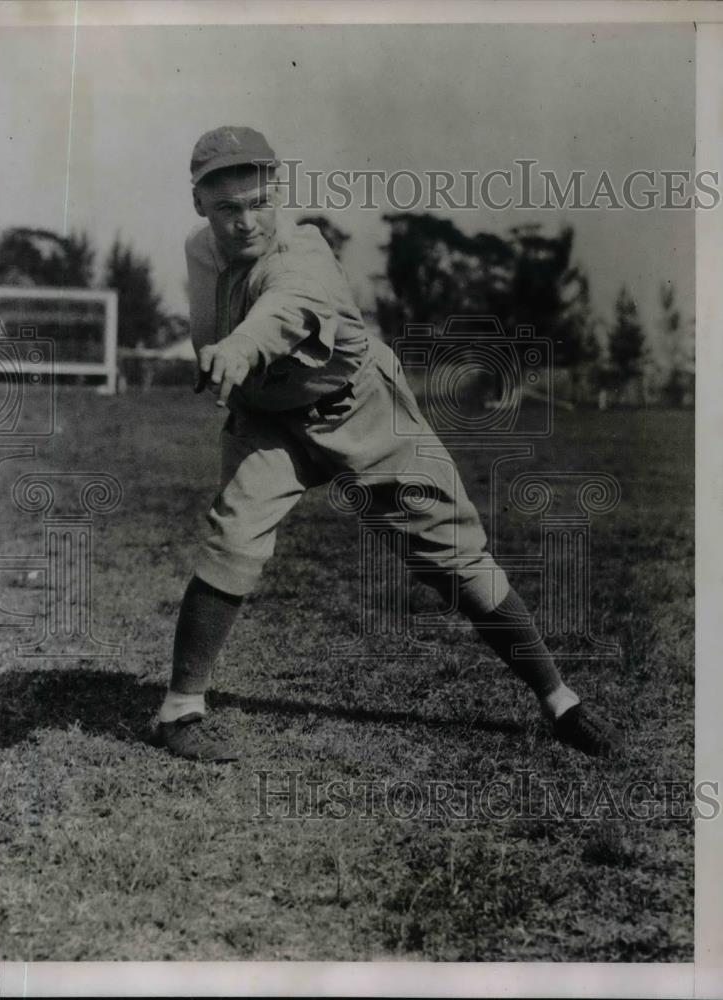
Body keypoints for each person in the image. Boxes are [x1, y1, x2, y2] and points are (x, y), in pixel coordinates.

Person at [153, 125, 621, 762]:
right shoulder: (200, 250)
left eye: (260, 201)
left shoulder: (303, 255)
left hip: (363, 409)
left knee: (456, 556)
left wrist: (236, 349)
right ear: (199, 204)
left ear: (278, 194)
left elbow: (282, 310)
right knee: (233, 533)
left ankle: (559, 701)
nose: (246, 220)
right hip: (269, 420)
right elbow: (215, 321)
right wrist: (225, 369)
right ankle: (181, 710)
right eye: (228, 206)